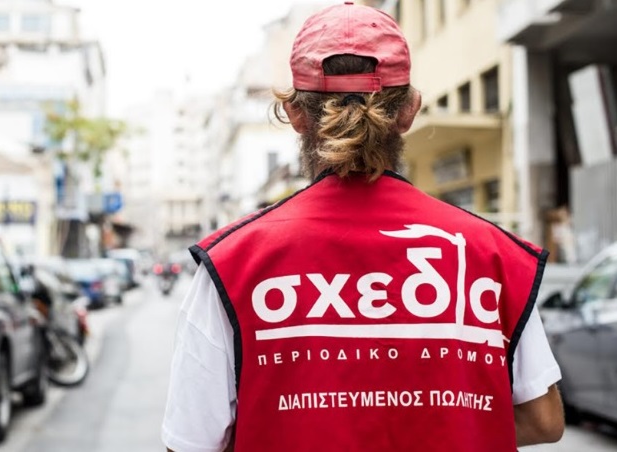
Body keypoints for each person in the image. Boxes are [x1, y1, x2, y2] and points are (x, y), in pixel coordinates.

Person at [162, 3, 564, 451]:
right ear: (409, 110)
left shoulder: (234, 262)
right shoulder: (489, 253)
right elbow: (543, 420)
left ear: (295, 114)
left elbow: (190, 440)